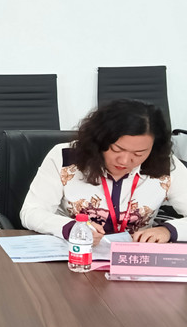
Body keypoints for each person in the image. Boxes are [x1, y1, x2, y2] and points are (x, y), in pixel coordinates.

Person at [21, 99, 187, 244]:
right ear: (100, 139)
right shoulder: (66, 158)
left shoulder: (164, 164)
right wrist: (71, 228)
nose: (124, 161)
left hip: (135, 258)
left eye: (139, 154)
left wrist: (168, 230)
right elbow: (31, 212)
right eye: (117, 149)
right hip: (75, 254)